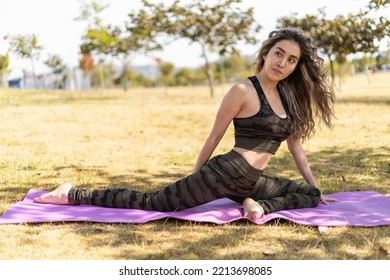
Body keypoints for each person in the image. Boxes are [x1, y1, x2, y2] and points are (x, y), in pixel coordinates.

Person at [34, 28, 337, 221]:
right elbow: (214, 136)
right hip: (224, 173)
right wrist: (196, 178)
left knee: (310, 195)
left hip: (252, 181)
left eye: (291, 59)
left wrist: (313, 185)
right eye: (278, 54)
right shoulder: (242, 91)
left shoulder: (287, 97)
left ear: (296, 66)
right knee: (153, 202)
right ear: (266, 54)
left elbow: (295, 145)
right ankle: (71, 193)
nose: (282, 63)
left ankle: (256, 205)